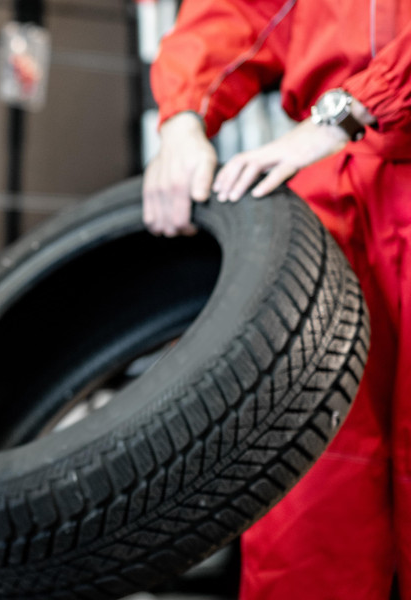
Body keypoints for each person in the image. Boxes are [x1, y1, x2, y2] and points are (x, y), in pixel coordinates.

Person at [143, 0, 411, 597]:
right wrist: (183, 121)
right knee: (309, 492)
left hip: (335, 145)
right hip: (329, 201)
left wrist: (346, 112)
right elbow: (238, 11)